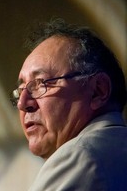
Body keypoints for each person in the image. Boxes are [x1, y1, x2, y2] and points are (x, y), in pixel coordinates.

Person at [10, 18, 127, 190]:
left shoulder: (79, 158)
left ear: (98, 91)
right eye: (21, 89)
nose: (22, 103)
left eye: (41, 83)